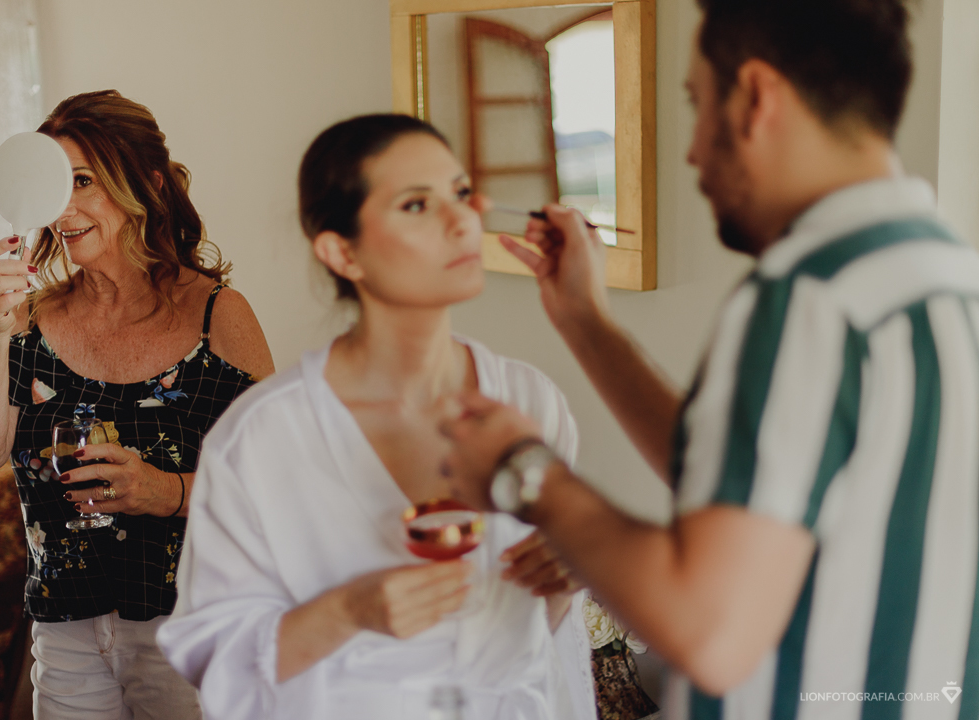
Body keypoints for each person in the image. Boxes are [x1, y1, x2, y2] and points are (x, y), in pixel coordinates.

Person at [440, 0, 979, 718]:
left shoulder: (808, 299)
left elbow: (709, 633)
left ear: (756, 97)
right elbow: (756, 474)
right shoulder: (946, 273)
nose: (692, 151)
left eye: (697, 103)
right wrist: (586, 324)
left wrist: (527, 472)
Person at [156, 114, 596, 719]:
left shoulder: (530, 402)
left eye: (462, 193)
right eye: (417, 204)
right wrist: (348, 611)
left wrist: (566, 577)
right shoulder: (261, 438)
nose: (462, 221)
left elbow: (541, 641)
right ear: (343, 252)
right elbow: (219, 664)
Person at [0, 90, 275, 718]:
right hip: (65, 630)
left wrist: (164, 491)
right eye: (56, 184)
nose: (63, 208)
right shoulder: (28, 321)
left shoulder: (218, 317)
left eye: (83, 181)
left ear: (147, 185)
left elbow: (276, 484)